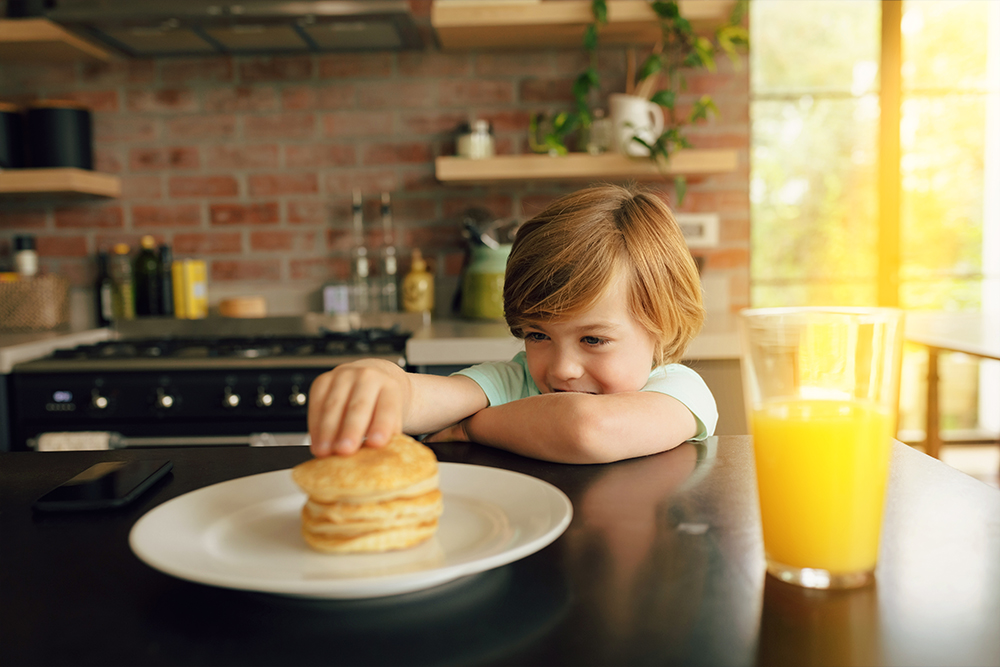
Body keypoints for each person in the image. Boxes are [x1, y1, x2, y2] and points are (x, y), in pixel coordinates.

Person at [308, 183, 718, 464]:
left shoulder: (679, 390)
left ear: (661, 326)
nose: (561, 369)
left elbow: (589, 429)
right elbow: (420, 399)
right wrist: (381, 380)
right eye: (538, 335)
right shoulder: (515, 380)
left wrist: (471, 429)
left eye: (593, 339)